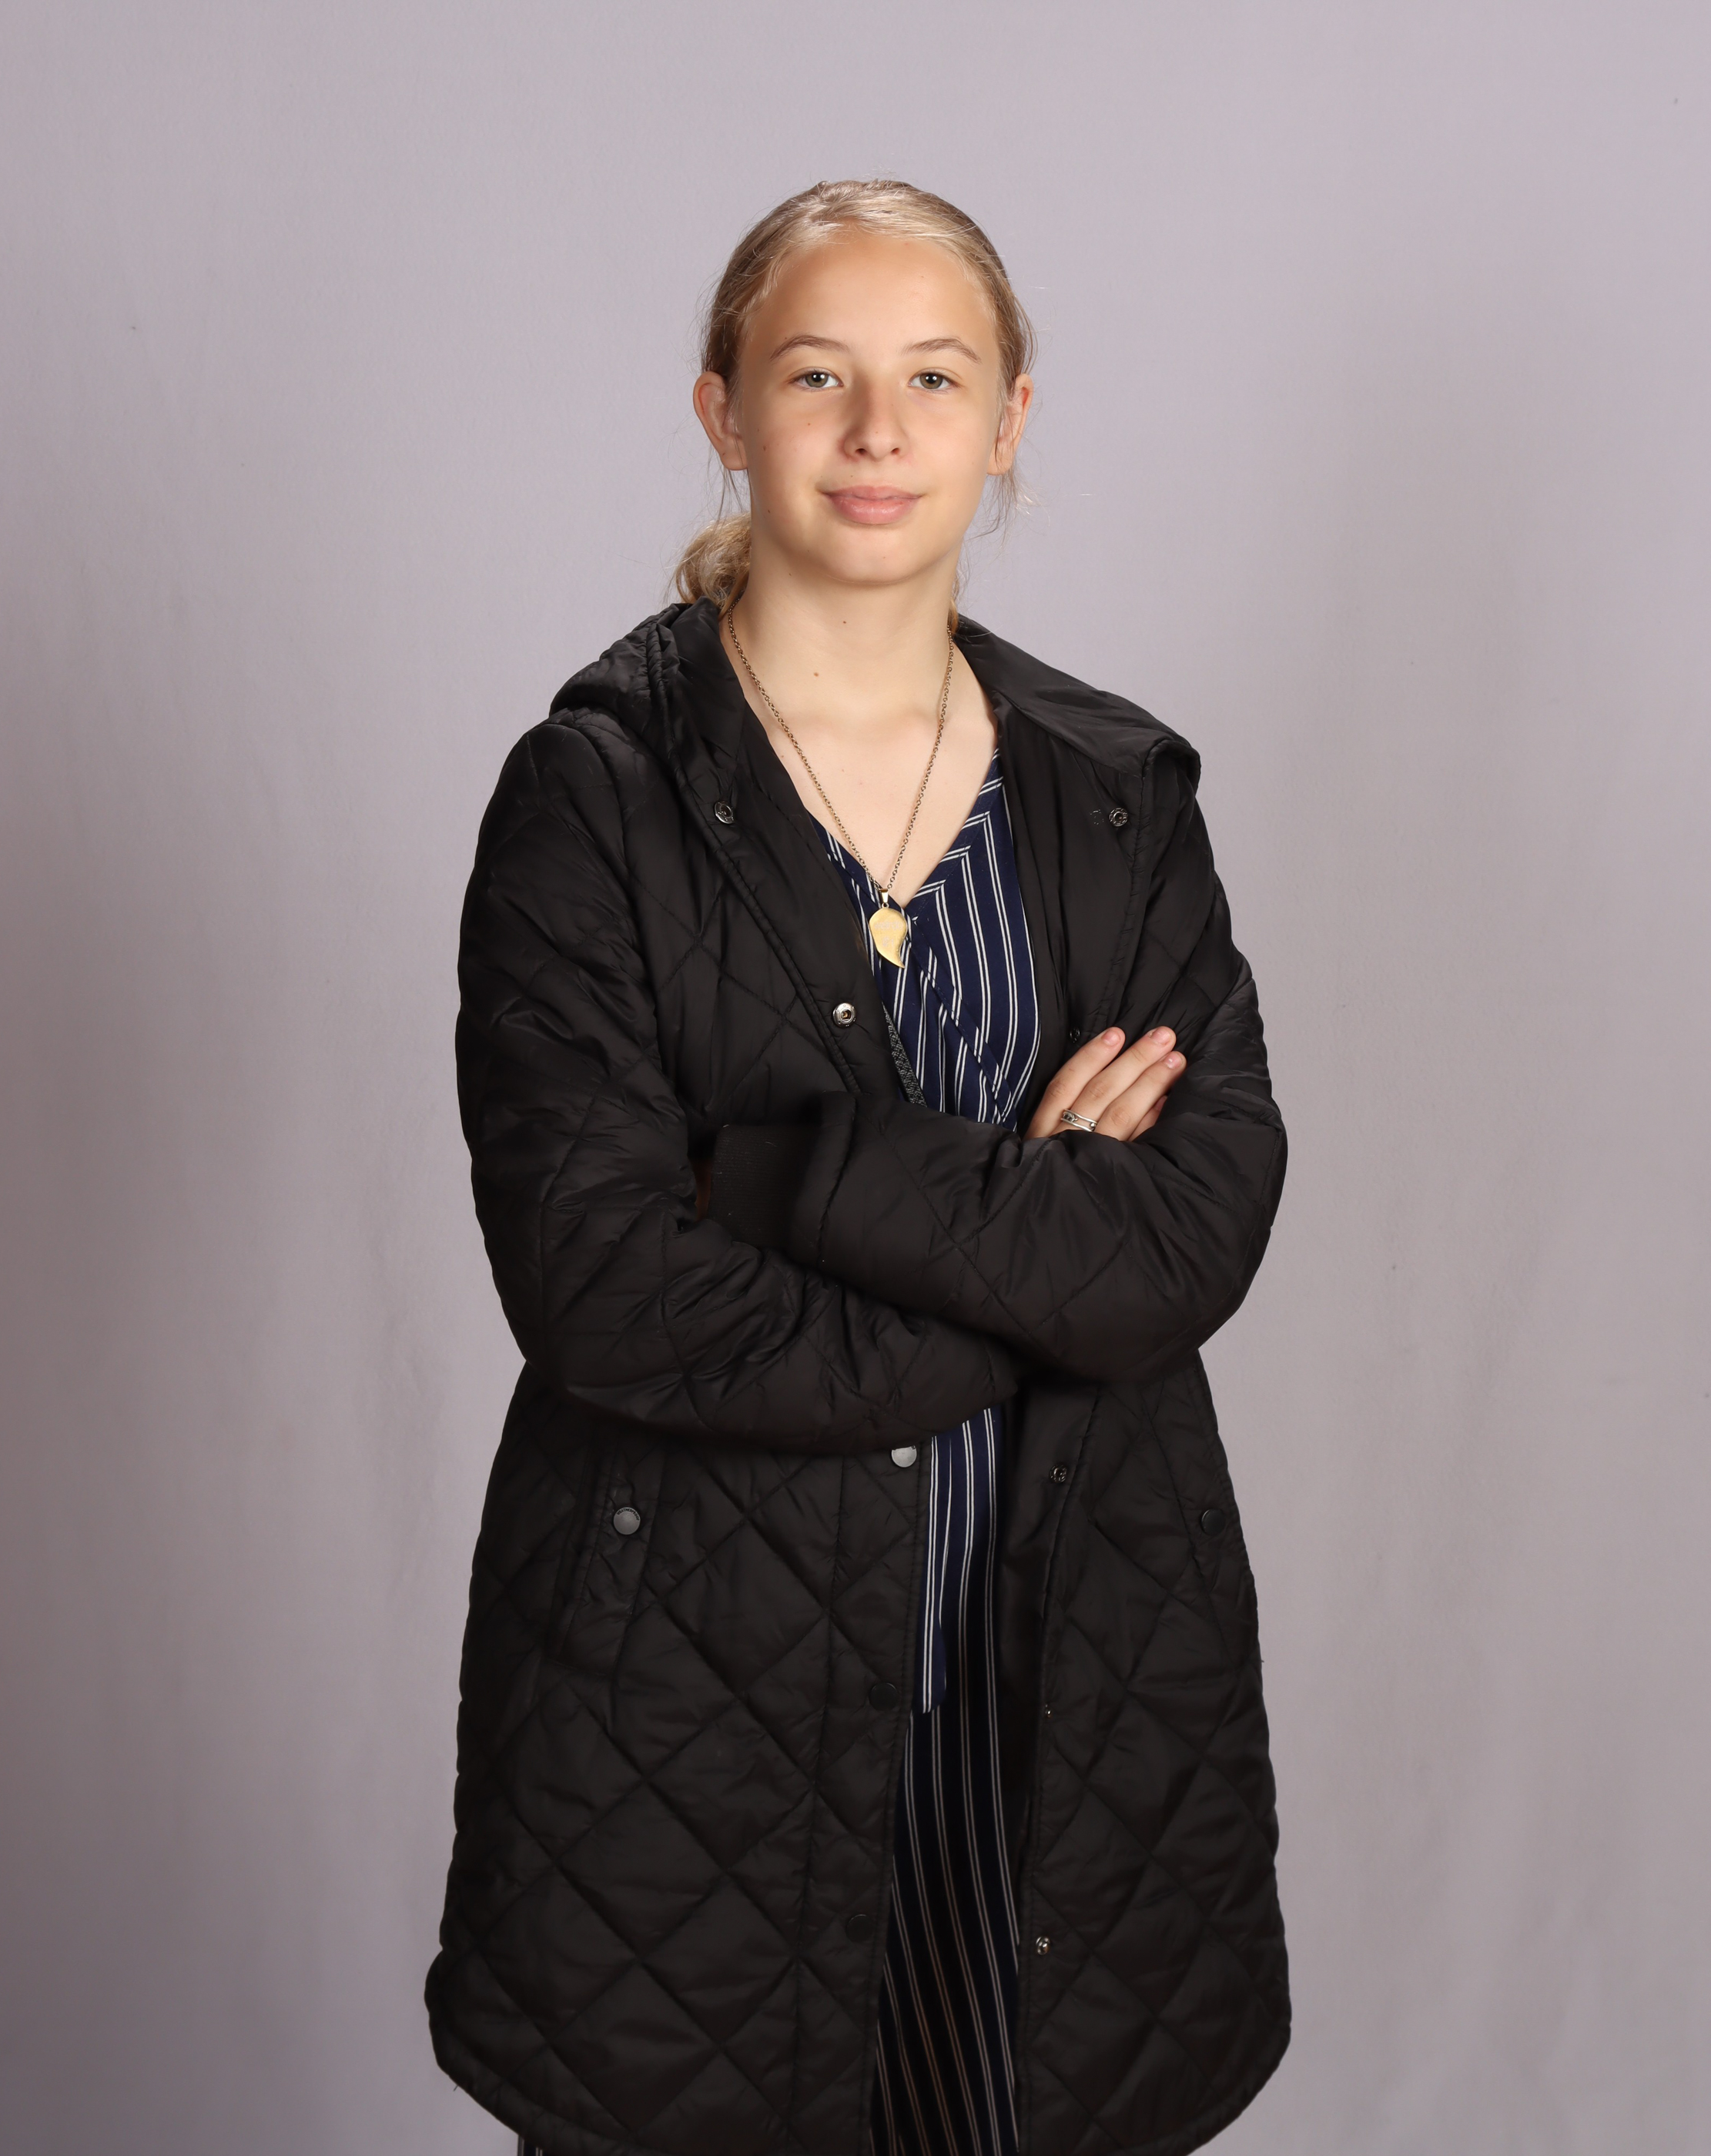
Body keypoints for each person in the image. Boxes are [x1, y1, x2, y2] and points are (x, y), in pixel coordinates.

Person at [427, 179, 1289, 2156]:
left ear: (1009, 422)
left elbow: (1188, 1229)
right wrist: (1028, 1263)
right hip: (694, 1694)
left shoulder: (1117, 796)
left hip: (1073, 1662)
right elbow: (603, 1281)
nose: (878, 430)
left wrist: (797, 1180)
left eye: (935, 378)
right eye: (817, 374)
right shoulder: (593, 798)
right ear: (724, 411)